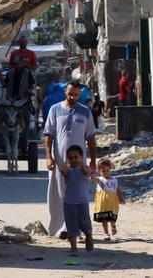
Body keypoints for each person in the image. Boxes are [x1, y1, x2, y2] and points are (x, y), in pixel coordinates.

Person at [43, 81, 98, 238]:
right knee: (58, 194)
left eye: (76, 94)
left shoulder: (85, 112)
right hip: (60, 162)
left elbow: (91, 138)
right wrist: (49, 157)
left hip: (79, 163)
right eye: (70, 93)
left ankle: (76, 230)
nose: (73, 97)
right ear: (65, 92)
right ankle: (60, 228)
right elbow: (48, 135)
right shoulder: (55, 110)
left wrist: (93, 161)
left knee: (78, 195)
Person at [61, 145, 94, 255]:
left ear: (81, 157)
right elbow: (63, 172)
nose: (73, 160)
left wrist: (82, 165)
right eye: (70, 158)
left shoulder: (84, 170)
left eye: (76, 157)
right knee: (71, 225)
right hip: (69, 203)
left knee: (85, 223)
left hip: (82, 203)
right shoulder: (67, 171)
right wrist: (65, 165)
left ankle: (88, 236)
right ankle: (73, 248)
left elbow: (89, 172)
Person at [93, 159, 122, 241]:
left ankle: (113, 226)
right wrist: (91, 172)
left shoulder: (114, 180)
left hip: (112, 201)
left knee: (112, 216)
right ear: (99, 171)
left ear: (110, 169)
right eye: (103, 171)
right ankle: (106, 233)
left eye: (107, 170)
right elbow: (93, 177)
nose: (106, 172)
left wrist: (121, 198)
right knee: (104, 218)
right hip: (103, 203)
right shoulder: (100, 179)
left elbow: (118, 189)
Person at [8, 36, 37, 101]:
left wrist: (24, 65)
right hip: (15, 78)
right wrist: (17, 66)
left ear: (27, 43)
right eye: (21, 41)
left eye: (24, 41)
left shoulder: (31, 53)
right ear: (18, 42)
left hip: (27, 78)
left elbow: (34, 67)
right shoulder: (14, 53)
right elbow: (9, 66)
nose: (23, 43)